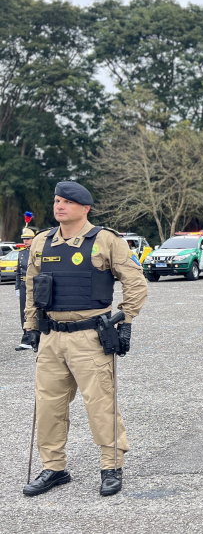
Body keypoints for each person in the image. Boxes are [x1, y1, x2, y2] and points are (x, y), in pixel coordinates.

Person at [22, 181, 147, 497]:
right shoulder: (42, 242)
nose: (59, 206)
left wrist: (125, 319)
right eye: (57, 201)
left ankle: (111, 467)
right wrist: (31, 326)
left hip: (90, 337)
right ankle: (53, 468)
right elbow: (32, 287)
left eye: (67, 202)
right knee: (48, 406)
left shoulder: (106, 240)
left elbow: (136, 282)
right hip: (51, 337)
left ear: (85, 208)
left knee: (101, 404)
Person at [15, 215, 37, 350]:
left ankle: (36, 337)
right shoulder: (21, 253)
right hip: (24, 286)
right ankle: (26, 339)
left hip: (35, 285)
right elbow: (18, 272)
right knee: (23, 311)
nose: (25, 241)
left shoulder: (38, 252)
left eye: (28, 239)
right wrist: (17, 287)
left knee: (36, 311)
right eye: (24, 239)